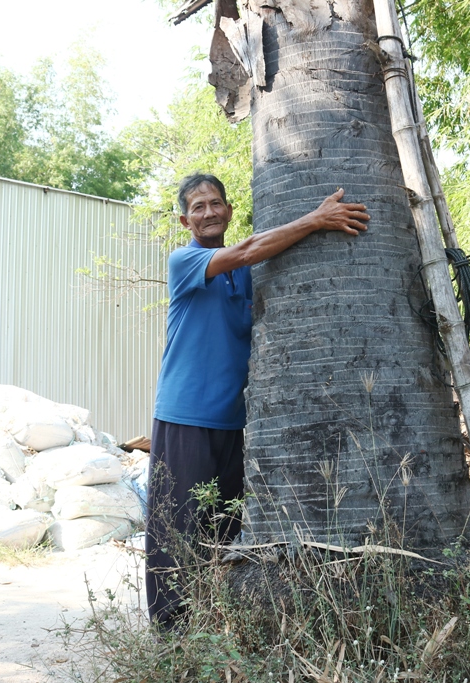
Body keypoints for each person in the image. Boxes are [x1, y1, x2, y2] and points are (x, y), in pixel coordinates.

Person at [146, 173, 369, 631]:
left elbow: (255, 254)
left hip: (235, 422)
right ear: (185, 219)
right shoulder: (185, 261)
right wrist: (317, 219)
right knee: (177, 531)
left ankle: (212, 626)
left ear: (228, 210)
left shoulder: (248, 273)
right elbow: (246, 249)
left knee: (225, 529)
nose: (209, 212)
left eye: (215, 203)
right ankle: (170, 637)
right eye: (199, 206)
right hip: (185, 416)